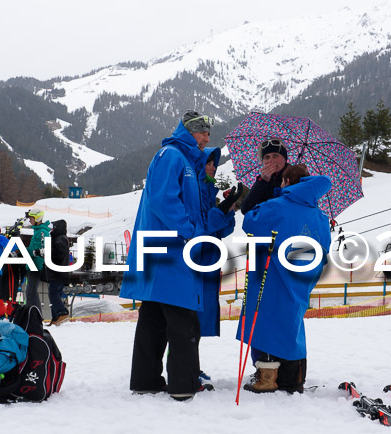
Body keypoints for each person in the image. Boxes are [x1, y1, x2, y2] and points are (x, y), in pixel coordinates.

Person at [120, 110, 238, 401]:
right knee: (183, 317)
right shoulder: (171, 156)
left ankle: (146, 380)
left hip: (167, 254)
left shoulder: (186, 161)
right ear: (189, 131)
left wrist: (218, 200)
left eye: (208, 133)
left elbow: (193, 208)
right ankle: (184, 385)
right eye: (203, 132)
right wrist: (191, 232)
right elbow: (164, 201)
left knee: (154, 318)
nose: (207, 138)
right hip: (171, 253)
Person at [238, 164, 331, 394]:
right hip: (304, 278)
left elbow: (249, 221)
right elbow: (325, 248)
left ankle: (268, 378)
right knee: (292, 323)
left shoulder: (276, 207)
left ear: (287, 182)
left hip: (276, 275)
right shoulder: (320, 216)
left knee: (268, 321)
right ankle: (293, 379)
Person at [196, 147, 239, 388]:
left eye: (215, 162)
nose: (213, 166)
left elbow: (220, 229)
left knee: (198, 318)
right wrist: (220, 210)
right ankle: (183, 365)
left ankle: (191, 363)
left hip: (208, 260)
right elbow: (203, 223)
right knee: (190, 317)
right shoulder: (197, 189)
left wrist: (228, 211)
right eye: (209, 162)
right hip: (198, 260)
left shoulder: (208, 190)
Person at [240, 138, 288, 214]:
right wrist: (263, 181)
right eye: (267, 157)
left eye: (275, 156)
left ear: (285, 158)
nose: (271, 160)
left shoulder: (295, 176)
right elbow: (245, 209)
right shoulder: (262, 180)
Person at [25, 208, 50, 308]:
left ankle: (35, 313)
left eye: (31, 218)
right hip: (33, 264)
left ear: (37, 219)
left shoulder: (42, 232)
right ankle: (33, 312)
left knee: (31, 291)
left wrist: (23, 250)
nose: (30, 220)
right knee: (30, 291)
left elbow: (38, 250)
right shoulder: (37, 232)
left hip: (37, 265)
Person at [47, 219, 70, 326]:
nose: (52, 229)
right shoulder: (57, 238)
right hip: (57, 272)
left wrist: (48, 250)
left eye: (54, 227)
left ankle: (62, 312)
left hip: (58, 272)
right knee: (54, 293)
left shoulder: (60, 238)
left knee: (53, 293)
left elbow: (59, 254)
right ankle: (55, 317)